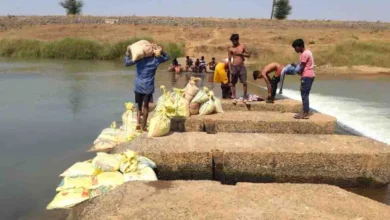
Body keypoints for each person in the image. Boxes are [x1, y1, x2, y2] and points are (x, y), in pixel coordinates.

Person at [125, 48, 170, 131]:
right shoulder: (155, 61)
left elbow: (127, 63)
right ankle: (144, 126)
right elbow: (167, 57)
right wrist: (161, 50)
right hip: (148, 87)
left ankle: (138, 123)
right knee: (145, 106)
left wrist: (127, 53)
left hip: (138, 86)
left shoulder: (138, 60)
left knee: (138, 106)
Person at [292, 39, 316, 119]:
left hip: (306, 76)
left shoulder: (304, 54)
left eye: (295, 47)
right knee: (304, 93)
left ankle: (305, 113)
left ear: (300, 47)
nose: (295, 49)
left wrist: (295, 70)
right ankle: (304, 111)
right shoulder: (308, 52)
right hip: (310, 75)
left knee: (304, 95)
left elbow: (301, 67)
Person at [228, 34, 251, 103]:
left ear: (237, 40)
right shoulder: (231, 49)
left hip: (242, 67)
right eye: (232, 41)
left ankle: (245, 97)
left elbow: (249, 55)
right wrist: (230, 69)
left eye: (234, 41)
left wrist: (241, 54)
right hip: (234, 67)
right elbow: (229, 60)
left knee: (244, 82)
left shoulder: (242, 46)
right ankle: (234, 97)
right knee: (233, 83)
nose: (233, 42)